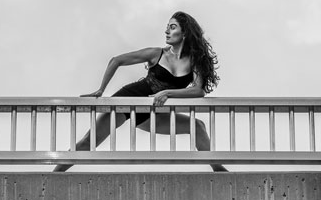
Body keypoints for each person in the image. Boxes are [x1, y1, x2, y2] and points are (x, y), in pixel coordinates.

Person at [53, 11, 227, 172]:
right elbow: (116, 60)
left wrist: (167, 93)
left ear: (185, 33)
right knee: (88, 142)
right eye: (167, 27)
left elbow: (198, 91)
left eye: (172, 27)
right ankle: (52, 177)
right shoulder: (157, 54)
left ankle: (219, 171)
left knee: (197, 126)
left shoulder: (194, 60)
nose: (167, 31)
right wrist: (100, 90)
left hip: (152, 111)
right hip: (128, 100)